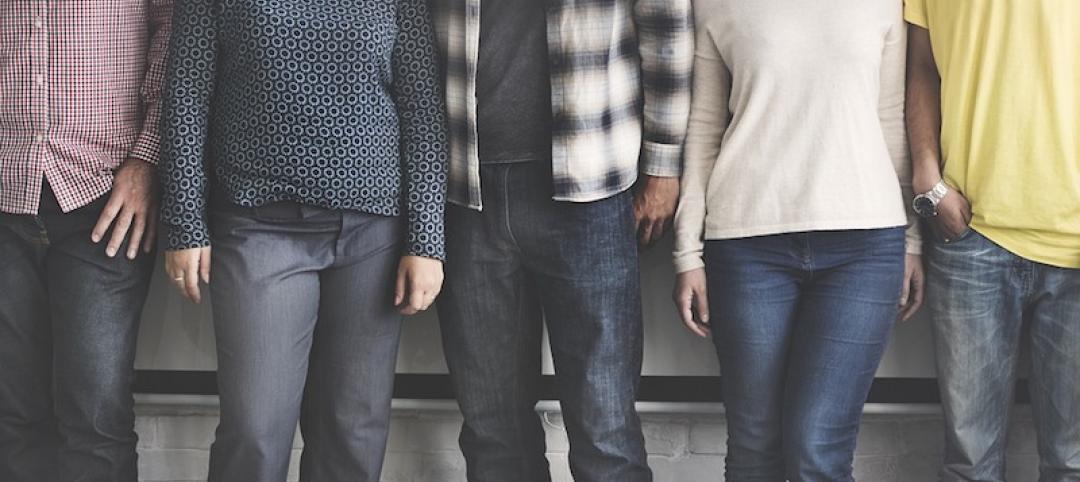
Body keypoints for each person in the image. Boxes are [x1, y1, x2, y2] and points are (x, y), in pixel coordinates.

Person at [159, 1, 448, 480]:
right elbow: (187, 95)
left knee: (352, 432)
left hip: (372, 232)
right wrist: (184, 219)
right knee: (255, 430)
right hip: (257, 225)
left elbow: (422, 107)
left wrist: (426, 239)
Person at [427, 0, 692, 480]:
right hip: (466, 192)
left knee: (605, 431)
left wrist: (664, 162)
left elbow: (665, 23)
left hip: (589, 189)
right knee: (492, 432)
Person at [672, 0, 924, 480]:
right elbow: (703, 129)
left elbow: (892, 119)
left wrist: (913, 240)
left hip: (864, 247)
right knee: (754, 448)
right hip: (746, 244)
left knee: (817, 451)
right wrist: (687, 251)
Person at [905, 1, 1080, 480]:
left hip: (1076, 242)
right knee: (969, 465)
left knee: (1072, 463)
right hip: (969, 232)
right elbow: (921, 64)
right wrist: (925, 173)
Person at [0, 3, 171, 481]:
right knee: (12, 415)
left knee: (95, 418)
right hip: (5, 193)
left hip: (105, 198)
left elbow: (173, 36)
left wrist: (147, 160)